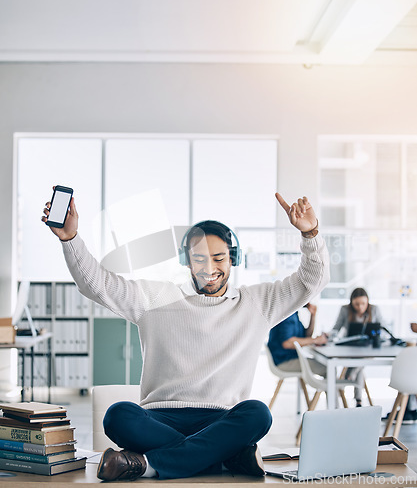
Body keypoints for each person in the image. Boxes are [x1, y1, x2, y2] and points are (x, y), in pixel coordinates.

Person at [42, 191, 329, 481]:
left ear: (234, 259)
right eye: (199, 259)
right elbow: (97, 284)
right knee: (118, 416)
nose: (209, 269)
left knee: (257, 413)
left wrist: (311, 234)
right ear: (187, 261)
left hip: (222, 417)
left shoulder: (256, 303)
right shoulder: (155, 299)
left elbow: (311, 280)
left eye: (219, 258)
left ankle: (147, 465)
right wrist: (70, 239)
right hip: (159, 417)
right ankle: (225, 456)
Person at [332, 287, 385, 407]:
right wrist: (329, 335)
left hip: (369, 350)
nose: (360, 307)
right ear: (351, 303)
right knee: (360, 366)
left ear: (368, 302)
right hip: (350, 348)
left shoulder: (375, 310)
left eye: (363, 304)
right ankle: (358, 401)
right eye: (356, 304)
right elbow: (336, 327)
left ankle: (352, 372)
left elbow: (383, 328)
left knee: (360, 363)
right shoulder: (345, 310)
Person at [267, 303, 327, 376]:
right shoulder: (287, 314)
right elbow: (287, 343)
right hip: (284, 361)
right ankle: (335, 387)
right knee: (327, 368)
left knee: (326, 366)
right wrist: (315, 340)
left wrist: (313, 315)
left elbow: (306, 336)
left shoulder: (294, 313)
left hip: (290, 358)